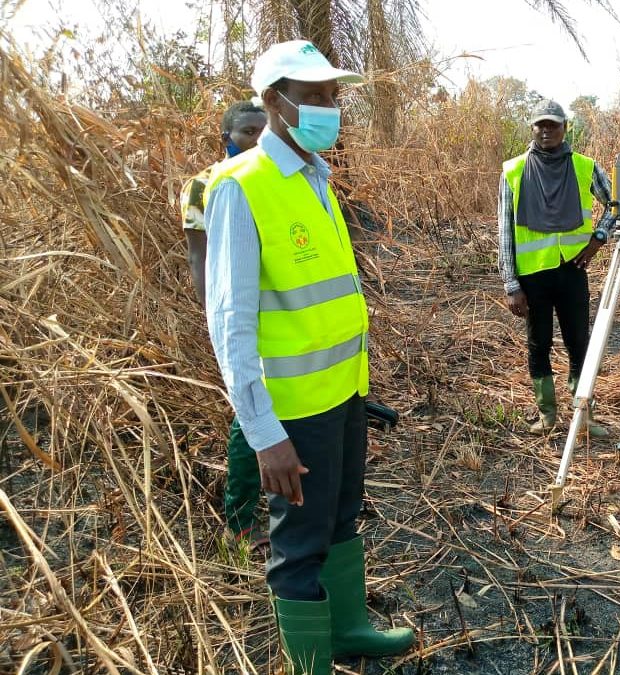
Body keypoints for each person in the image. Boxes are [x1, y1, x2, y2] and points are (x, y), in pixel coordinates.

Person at [204, 40, 414, 674]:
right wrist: (264, 434)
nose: (330, 108)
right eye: (316, 96)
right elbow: (230, 324)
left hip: (343, 393)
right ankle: (309, 665)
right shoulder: (241, 188)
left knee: (342, 516)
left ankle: (348, 627)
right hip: (294, 410)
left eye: (333, 96)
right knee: (298, 543)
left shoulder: (318, 179)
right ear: (274, 102)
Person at [180, 100, 268, 550]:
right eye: (248, 131)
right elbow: (201, 258)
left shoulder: (274, 178)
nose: (256, 139)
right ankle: (240, 516)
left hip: (279, 314)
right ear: (226, 138)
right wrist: (216, 318)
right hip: (239, 315)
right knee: (248, 410)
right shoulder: (204, 186)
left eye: (262, 130)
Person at [498, 99, 614, 436]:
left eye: (553, 125)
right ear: (532, 129)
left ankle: (584, 416)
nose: (546, 130)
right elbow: (505, 230)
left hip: (571, 270)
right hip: (533, 275)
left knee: (579, 341)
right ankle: (547, 415)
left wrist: (599, 238)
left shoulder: (585, 167)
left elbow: (616, 203)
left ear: (566, 128)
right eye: (540, 125)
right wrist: (511, 284)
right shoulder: (513, 171)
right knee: (539, 343)